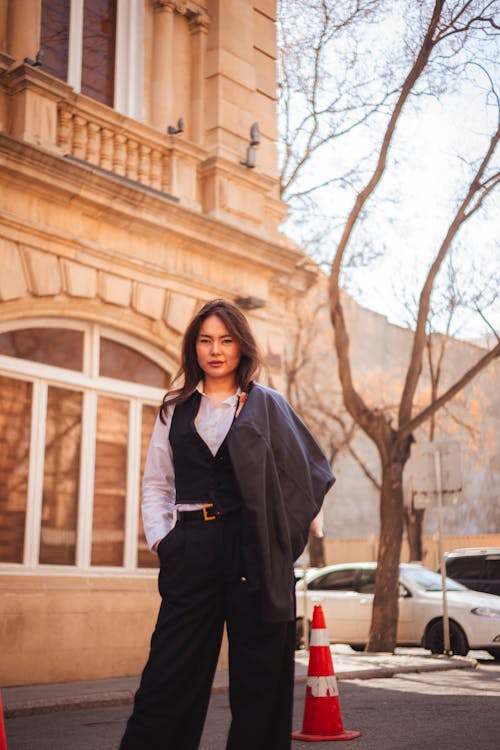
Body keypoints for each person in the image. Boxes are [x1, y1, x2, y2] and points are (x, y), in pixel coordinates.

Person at [119, 298, 335, 750]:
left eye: (226, 340)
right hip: (191, 548)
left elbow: (305, 474)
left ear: (241, 347)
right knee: (167, 678)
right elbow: (157, 484)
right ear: (194, 348)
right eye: (205, 340)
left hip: (254, 548)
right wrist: (164, 540)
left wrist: (291, 538)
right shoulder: (173, 409)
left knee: (260, 685)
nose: (215, 350)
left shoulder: (268, 404)